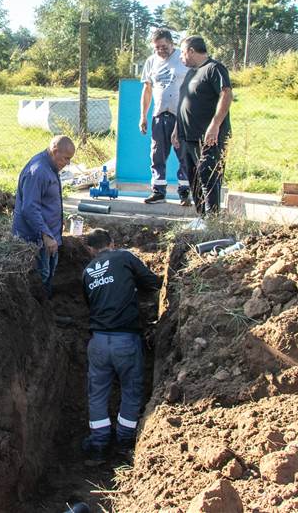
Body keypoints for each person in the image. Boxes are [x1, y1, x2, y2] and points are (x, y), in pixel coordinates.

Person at [80, 228, 161, 461]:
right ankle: (125, 440)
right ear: (112, 243)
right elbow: (151, 282)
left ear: (90, 249)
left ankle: (98, 442)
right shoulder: (124, 257)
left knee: (97, 392)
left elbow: (89, 303)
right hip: (125, 340)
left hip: (97, 343)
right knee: (131, 390)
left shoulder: (86, 272)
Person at [171, 35, 232, 216]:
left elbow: (226, 94)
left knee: (208, 178)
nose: (181, 57)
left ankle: (211, 221)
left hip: (207, 138)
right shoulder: (191, 73)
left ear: (191, 50)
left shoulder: (214, 69)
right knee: (194, 180)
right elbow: (184, 102)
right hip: (187, 137)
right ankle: (201, 218)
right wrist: (176, 129)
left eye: (182, 52)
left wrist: (214, 125)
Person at [13, 135, 76, 299]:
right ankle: (41, 315)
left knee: (48, 275)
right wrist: (46, 235)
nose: (68, 163)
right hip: (36, 239)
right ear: (55, 151)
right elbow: (29, 208)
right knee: (41, 277)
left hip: (50, 236)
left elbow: (47, 201)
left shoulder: (51, 168)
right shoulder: (38, 171)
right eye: (66, 158)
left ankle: (48, 312)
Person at [139, 28, 190, 206]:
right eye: (157, 47)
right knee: (157, 155)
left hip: (181, 116)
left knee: (184, 154)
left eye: (163, 46)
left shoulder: (183, 59)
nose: (160, 50)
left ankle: (185, 192)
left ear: (171, 43)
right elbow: (147, 90)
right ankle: (158, 191)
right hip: (160, 115)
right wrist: (143, 116)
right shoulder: (151, 62)